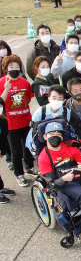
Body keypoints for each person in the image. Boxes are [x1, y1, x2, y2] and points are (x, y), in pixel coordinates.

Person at [0, 55, 38, 187]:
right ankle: (19, 174)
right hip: (11, 123)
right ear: (5, 69)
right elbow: (1, 102)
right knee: (15, 150)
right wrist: (7, 89)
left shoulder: (24, 82)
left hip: (25, 120)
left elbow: (27, 99)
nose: (14, 69)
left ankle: (29, 167)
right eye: (11, 67)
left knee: (27, 146)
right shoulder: (1, 83)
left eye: (16, 67)